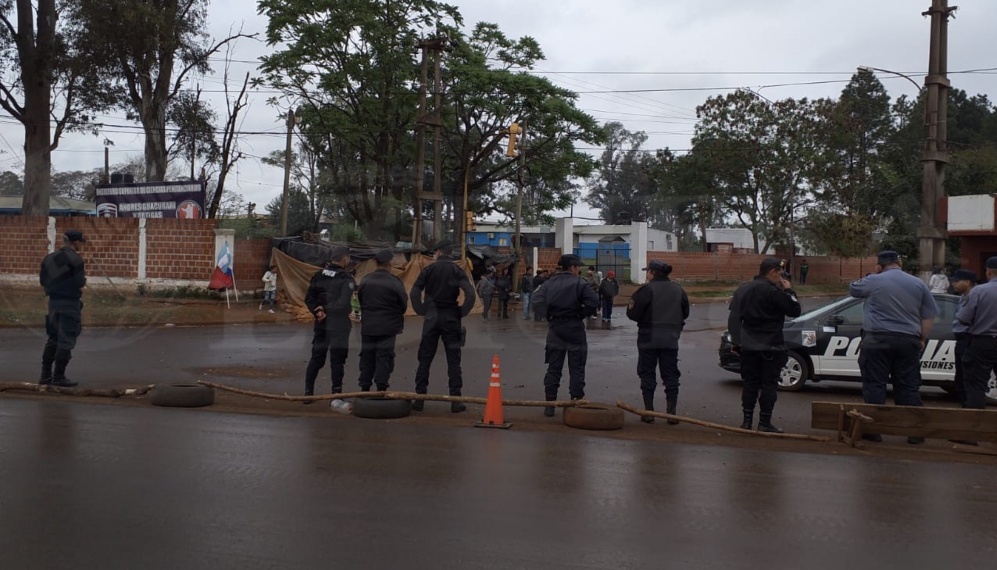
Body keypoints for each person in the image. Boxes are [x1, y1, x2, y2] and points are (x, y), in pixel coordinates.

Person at [849, 250, 938, 444]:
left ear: (880, 265)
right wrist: (921, 339)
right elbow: (929, 316)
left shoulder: (874, 280)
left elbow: (853, 290)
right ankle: (914, 432)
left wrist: (872, 275)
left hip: (877, 340)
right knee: (908, 386)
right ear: (900, 263)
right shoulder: (918, 284)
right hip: (908, 341)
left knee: (875, 384)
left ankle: (873, 431)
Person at [728, 257, 801, 433]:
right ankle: (764, 422)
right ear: (772, 272)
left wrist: (737, 342)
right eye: (780, 274)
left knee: (750, 384)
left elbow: (734, 319)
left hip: (749, 347)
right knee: (769, 385)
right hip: (771, 347)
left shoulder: (743, 289)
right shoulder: (774, 292)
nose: (781, 278)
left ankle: (746, 421)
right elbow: (795, 311)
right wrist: (789, 291)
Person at [410, 239, 476, 413]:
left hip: (431, 317)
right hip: (451, 317)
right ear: (449, 253)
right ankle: (455, 400)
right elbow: (470, 293)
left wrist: (421, 309)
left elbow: (415, 291)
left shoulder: (428, 270)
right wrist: (461, 312)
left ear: (439, 252)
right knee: (453, 359)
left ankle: (419, 399)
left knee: (425, 357)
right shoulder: (457, 270)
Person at [532, 254, 600, 417]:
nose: (579, 271)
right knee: (576, 368)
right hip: (575, 328)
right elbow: (594, 302)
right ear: (573, 268)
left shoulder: (548, 283)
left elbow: (536, 301)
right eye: (578, 268)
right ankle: (576, 402)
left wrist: (549, 316)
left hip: (555, 329)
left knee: (553, 368)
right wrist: (580, 314)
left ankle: (550, 404)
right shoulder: (580, 283)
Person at [626, 260, 689, 424]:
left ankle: (648, 411)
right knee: (671, 373)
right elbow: (685, 312)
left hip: (648, 336)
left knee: (647, 372)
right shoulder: (678, 289)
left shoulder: (646, 290)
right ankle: (671, 413)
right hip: (670, 337)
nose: (646, 274)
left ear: (653, 272)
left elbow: (632, 313)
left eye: (648, 271)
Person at [303, 246, 356, 401]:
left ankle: (308, 393)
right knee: (337, 360)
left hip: (321, 324)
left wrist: (318, 311)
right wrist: (326, 309)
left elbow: (309, 298)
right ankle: (336, 394)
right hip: (339, 325)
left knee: (316, 358)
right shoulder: (346, 279)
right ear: (345, 258)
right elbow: (343, 304)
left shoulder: (318, 275)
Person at [38, 230, 88, 387]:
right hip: (69, 304)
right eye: (80, 242)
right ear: (74, 243)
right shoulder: (76, 260)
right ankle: (59, 376)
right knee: (66, 340)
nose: (82, 245)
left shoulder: (49, 258)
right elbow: (80, 282)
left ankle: (45, 375)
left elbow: (42, 281)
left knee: (52, 339)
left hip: (53, 303)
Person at [356, 250, 408, 392]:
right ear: (390, 263)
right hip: (388, 327)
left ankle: (364, 388)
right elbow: (403, 304)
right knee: (384, 357)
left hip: (368, 326)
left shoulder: (365, 280)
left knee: (367, 356)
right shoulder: (395, 282)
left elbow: (360, 300)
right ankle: (381, 388)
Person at [956, 257, 997, 414]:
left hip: (982, 342)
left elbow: (963, 318)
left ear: (988, 271)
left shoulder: (979, 291)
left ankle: (972, 433)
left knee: (976, 385)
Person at [949, 269, 977, 410]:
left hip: (968, 338)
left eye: (956, 281)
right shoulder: (963, 297)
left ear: (967, 282)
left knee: (967, 375)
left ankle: (969, 406)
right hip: (962, 339)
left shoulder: (973, 296)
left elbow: (966, 319)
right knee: (960, 375)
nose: (953, 283)